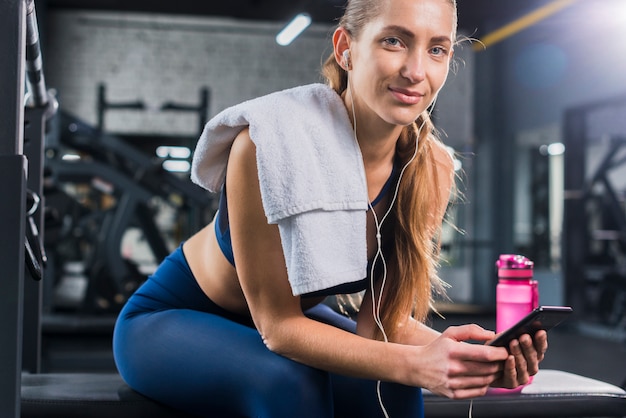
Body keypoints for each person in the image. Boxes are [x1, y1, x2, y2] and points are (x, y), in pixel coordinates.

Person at [113, 0, 548, 416]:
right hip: (175, 317)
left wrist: (465, 356)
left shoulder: (429, 167)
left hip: (287, 324)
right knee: (287, 383)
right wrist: (417, 365)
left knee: (391, 383)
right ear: (346, 49)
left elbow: (381, 322)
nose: (416, 71)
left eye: (436, 49)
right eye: (394, 41)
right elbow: (279, 328)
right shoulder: (267, 143)